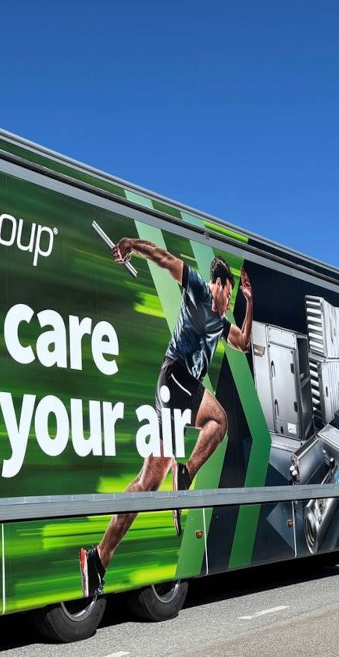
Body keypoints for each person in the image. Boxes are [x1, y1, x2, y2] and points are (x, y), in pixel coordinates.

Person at [80, 238, 253, 598]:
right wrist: (130, 244)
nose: (230, 303)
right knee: (219, 420)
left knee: (148, 482)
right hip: (175, 378)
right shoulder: (197, 287)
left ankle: (98, 558)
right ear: (220, 285)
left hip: (172, 392)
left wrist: (249, 304)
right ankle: (186, 472)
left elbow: (243, 343)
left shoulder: (221, 322)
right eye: (231, 296)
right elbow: (163, 257)